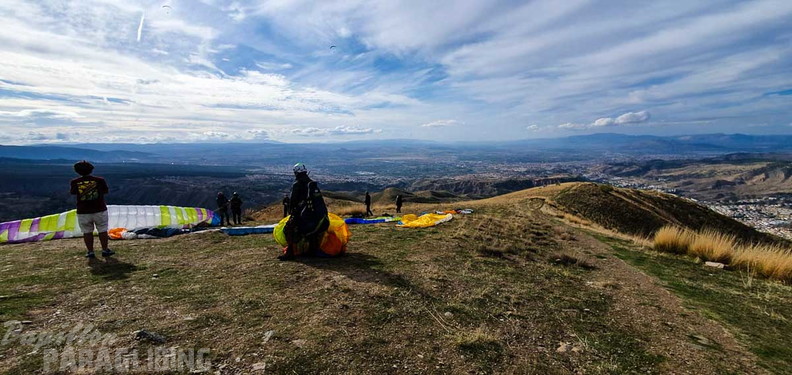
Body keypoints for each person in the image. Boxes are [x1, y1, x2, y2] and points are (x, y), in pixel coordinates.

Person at [279, 163, 329, 261]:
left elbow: (293, 201)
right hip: (320, 218)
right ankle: (312, 250)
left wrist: (292, 212)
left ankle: (290, 253)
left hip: (305, 216)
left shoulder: (297, 184)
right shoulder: (311, 183)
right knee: (312, 232)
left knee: (289, 228)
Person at [70, 160, 114, 258]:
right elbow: (105, 191)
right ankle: (105, 250)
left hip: (83, 211)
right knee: (102, 230)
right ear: (91, 169)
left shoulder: (74, 182)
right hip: (99, 209)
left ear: (77, 171)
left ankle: (90, 252)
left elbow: (73, 192)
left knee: (87, 231)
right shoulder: (100, 180)